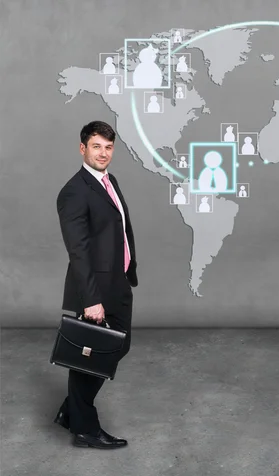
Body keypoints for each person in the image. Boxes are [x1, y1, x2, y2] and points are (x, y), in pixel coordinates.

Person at [54, 121, 138, 448]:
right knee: (90, 355)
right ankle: (85, 429)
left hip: (117, 282)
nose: (103, 153)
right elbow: (78, 250)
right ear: (82, 149)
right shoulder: (74, 191)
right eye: (96, 146)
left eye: (108, 147)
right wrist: (91, 300)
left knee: (117, 346)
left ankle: (70, 412)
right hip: (95, 290)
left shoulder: (109, 180)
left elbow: (118, 227)